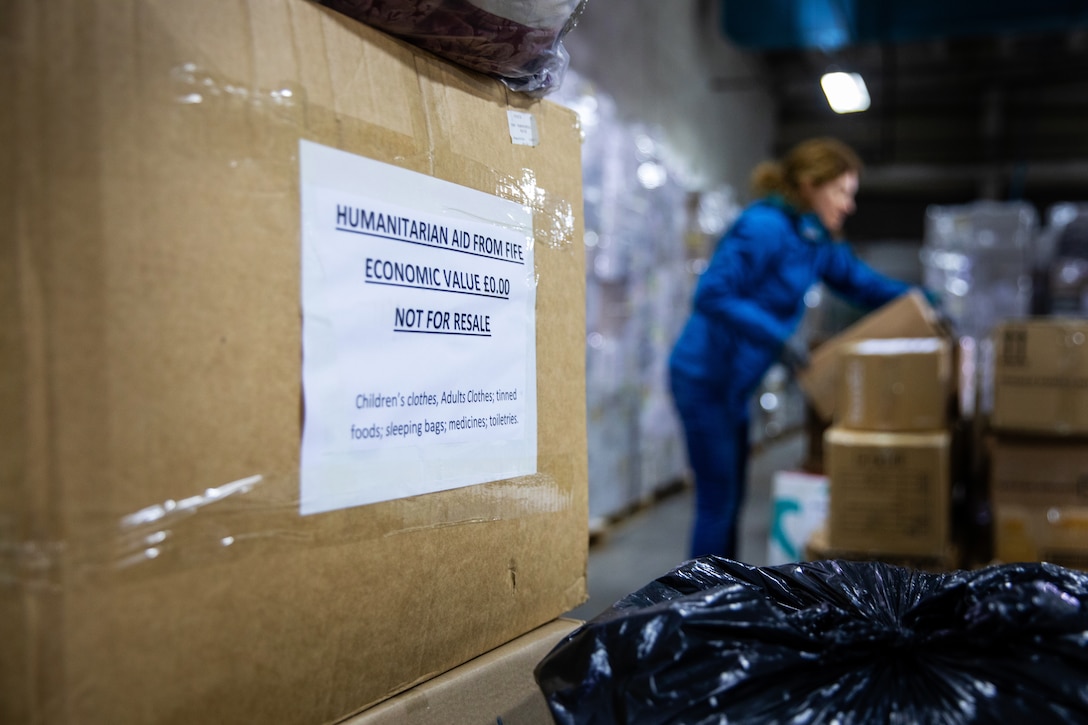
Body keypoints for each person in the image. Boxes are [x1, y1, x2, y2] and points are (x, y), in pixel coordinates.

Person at [669, 137, 919, 560]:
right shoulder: (764, 227)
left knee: (733, 497)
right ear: (809, 185)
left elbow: (862, 284)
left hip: (734, 387)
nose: (848, 205)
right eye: (841, 192)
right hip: (704, 378)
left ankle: (724, 593)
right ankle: (699, 604)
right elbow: (711, 294)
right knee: (718, 501)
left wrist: (918, 299)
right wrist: (779, 338)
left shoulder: (815, 242)